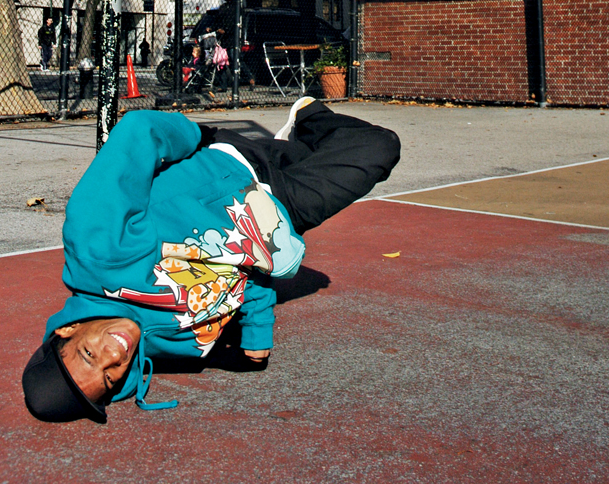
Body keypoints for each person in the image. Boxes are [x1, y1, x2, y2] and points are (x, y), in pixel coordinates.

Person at [22, 97, 400, 423]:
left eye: (90, 355)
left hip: (234, 161)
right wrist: (257, 328)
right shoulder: (173, 348)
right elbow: (240, 276)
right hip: (276, 214)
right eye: (110, 378)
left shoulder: (98, 250)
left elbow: (137, 132)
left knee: (355, 146)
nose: (113, 356)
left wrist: (197, 137)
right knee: (379, 147)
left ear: (65, 331)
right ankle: (305, 122)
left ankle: (308, 118)